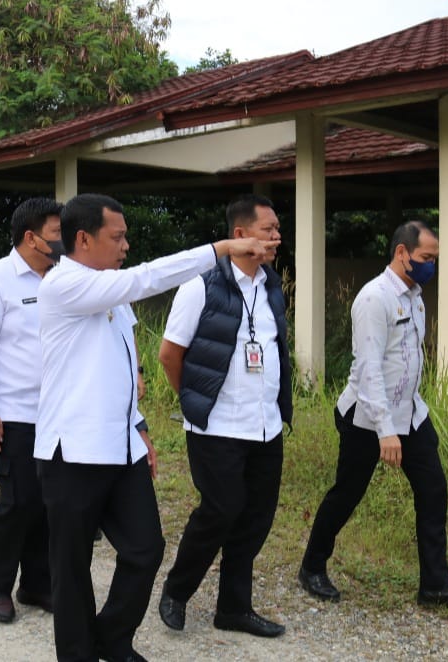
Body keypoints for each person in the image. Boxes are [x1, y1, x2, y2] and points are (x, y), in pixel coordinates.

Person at [35, 193, 271, 662]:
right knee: (72, 567)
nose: (125, 245)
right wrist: (220, 249)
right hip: (72, 453)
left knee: (145, 549)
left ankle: (112, 640)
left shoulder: (109, 293)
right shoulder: (63, 285)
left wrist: (139, 428)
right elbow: (145, 279)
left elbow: (119, 369)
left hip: (120, 448)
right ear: (83, 239)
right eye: (116, 236)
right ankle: (78, 653)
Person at [298, 221, 448, 612]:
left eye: (434, 258)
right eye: (425, 258)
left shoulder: (415, 295)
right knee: (347, 494)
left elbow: (407, 358)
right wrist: (385, 431)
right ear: (402, 253)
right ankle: (312, 566)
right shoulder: (374, 299)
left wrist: (405, 418)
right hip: (367, 418)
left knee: (433, 490)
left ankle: (435, 586)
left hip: (411, 414)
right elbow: (369, 371)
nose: (431, 265)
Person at [156, 195, 290, 639]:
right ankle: (177, 590)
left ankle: (233, 608)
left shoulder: (271, 284)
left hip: (265, 425)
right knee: (220, 510)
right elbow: (170, 354)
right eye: (267, 229)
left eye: (276, 229)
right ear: (239, 235)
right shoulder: (200, 286)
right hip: (217, 426)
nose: (276, 237)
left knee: (256, 516)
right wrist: (195, 400)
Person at [0, 198, 63, 624]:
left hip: (59, 412)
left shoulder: (62, 278)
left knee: (50, 503)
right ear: (32, 237)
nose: (63, 241)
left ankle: (37, 584)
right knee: (18, 502)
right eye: (57, 233)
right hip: (15, 413)